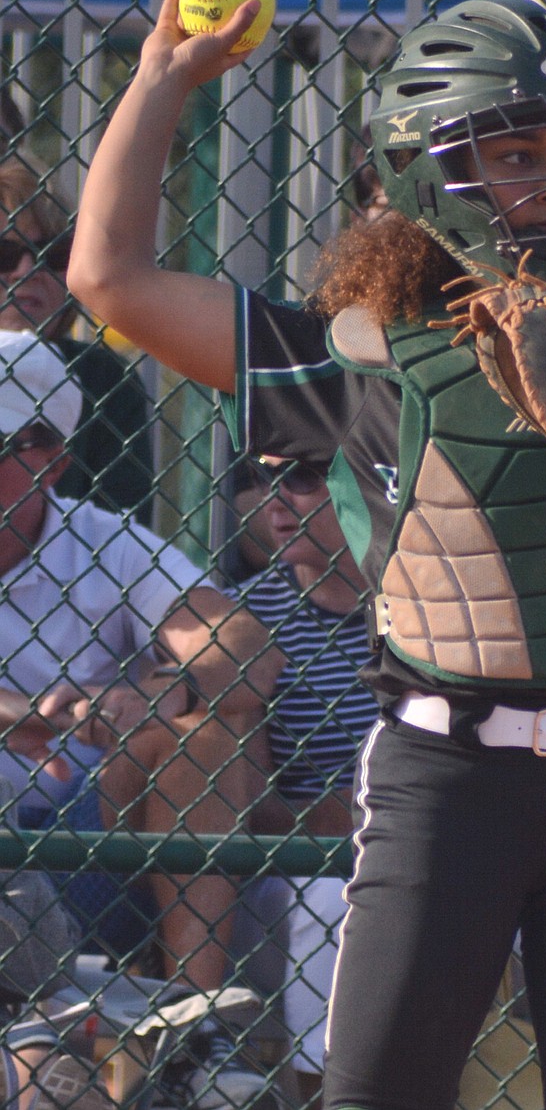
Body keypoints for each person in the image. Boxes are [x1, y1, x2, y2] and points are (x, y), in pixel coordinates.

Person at [66, 0, 546, 1110]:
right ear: (423, 173)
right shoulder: (360, 358)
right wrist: (158, 82)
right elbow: (109, 280)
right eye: (514, 152)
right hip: (443, 779)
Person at [0, 328, 286, 1110]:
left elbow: (246, 648)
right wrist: (19, 713)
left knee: (208, 732)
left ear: (49, 457)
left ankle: (188, 1035)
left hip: (87, 842)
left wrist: (164, 690)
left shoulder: (102, 540)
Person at [228, 453, 378, 1105]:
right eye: (263, 479)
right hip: (296, 869)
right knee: (335, 899)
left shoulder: (426, 607)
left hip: (441, 842)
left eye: (305, 474)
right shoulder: (241, 617)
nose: (275, 498)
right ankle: (326, 1097)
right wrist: (313, 814)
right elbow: (243, 807)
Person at [0, 155, 153, 520]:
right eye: (5, 253)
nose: (29, 269)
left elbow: (124, 524)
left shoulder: (102, 379)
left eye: (51, 254)